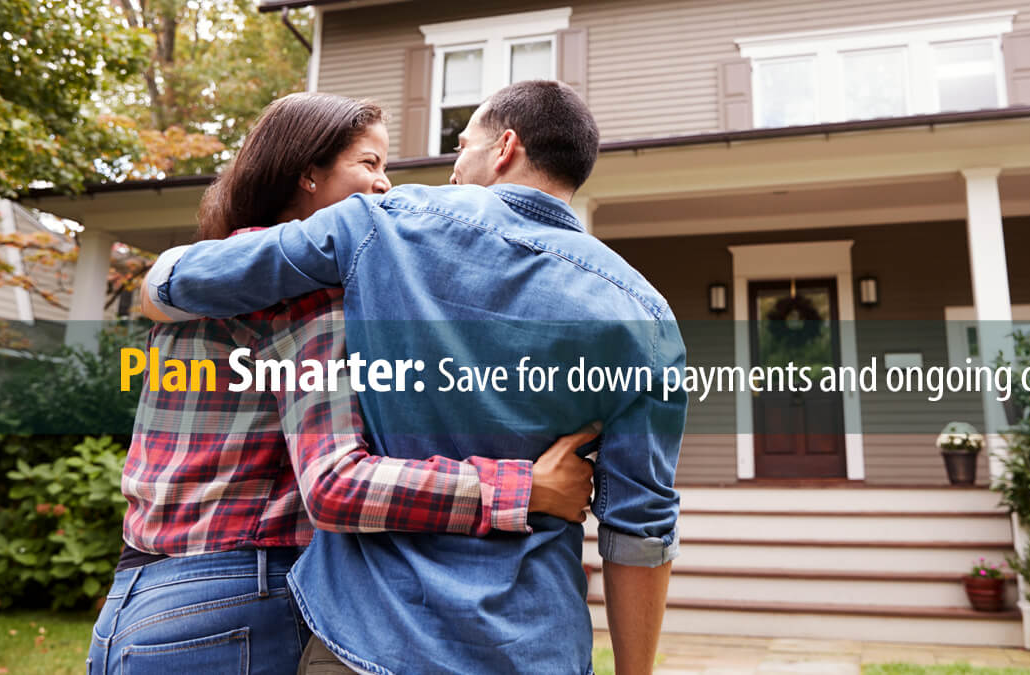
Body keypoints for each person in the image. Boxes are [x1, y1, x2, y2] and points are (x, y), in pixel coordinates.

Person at [142, 81, 686, 675]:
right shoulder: (645, 315)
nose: (451, 172)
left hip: (369, 639)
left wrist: (157, 286)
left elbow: (190, 279)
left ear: (503, 148)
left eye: (462, 147)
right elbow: (640, 527)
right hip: (532, 647)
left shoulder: (380, 224)